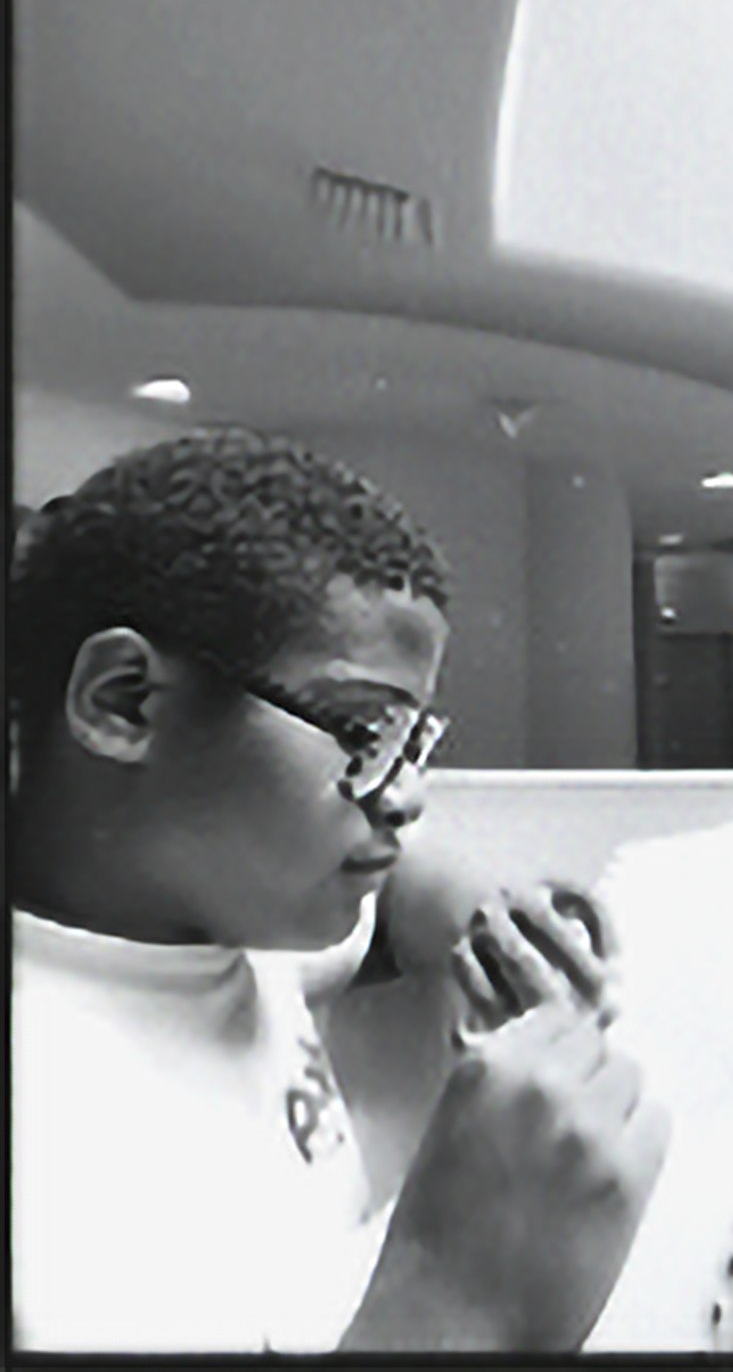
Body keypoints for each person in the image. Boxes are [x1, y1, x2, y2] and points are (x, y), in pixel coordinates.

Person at [11, 426, 669, 1352]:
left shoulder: (221, 920)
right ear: (125, 701)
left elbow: (398, 902)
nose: (404, 795)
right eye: (362, 734)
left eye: (412, 742)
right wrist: (462, 1302)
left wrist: (485, 925)